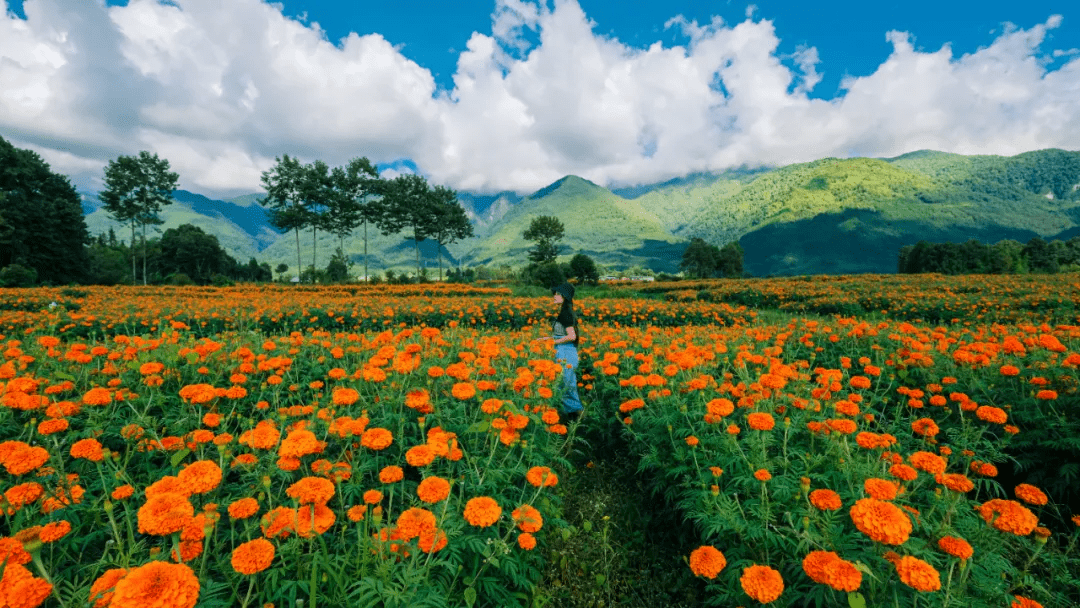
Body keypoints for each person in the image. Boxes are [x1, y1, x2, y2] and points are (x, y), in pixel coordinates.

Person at [543, 282, 583, 420]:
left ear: (565, 297)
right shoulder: (564, 312)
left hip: (566, 352)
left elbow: (572, 336)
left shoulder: (566, 313)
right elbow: (563, 335)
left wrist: (552, 341)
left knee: (566, 386)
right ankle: (571, 419)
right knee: (563, 385)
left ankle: (577, 419)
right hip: (564, 351)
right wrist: (548, 338)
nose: (554, 296)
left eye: (558, 294)